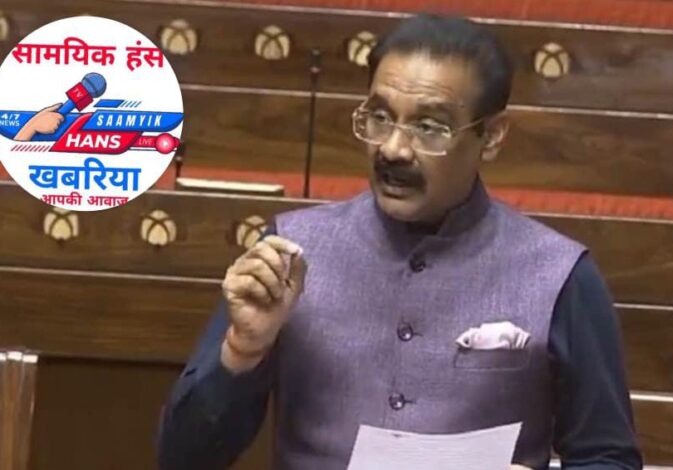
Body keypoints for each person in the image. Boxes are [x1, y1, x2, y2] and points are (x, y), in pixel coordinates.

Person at [158, 13, 642, 470]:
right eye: (380, 117)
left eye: (429, 127)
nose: (392, 148)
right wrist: (242, 351)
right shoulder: (289, 254)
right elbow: (183, 459)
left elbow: (609, 456)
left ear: (492, 136)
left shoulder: (560, 275)